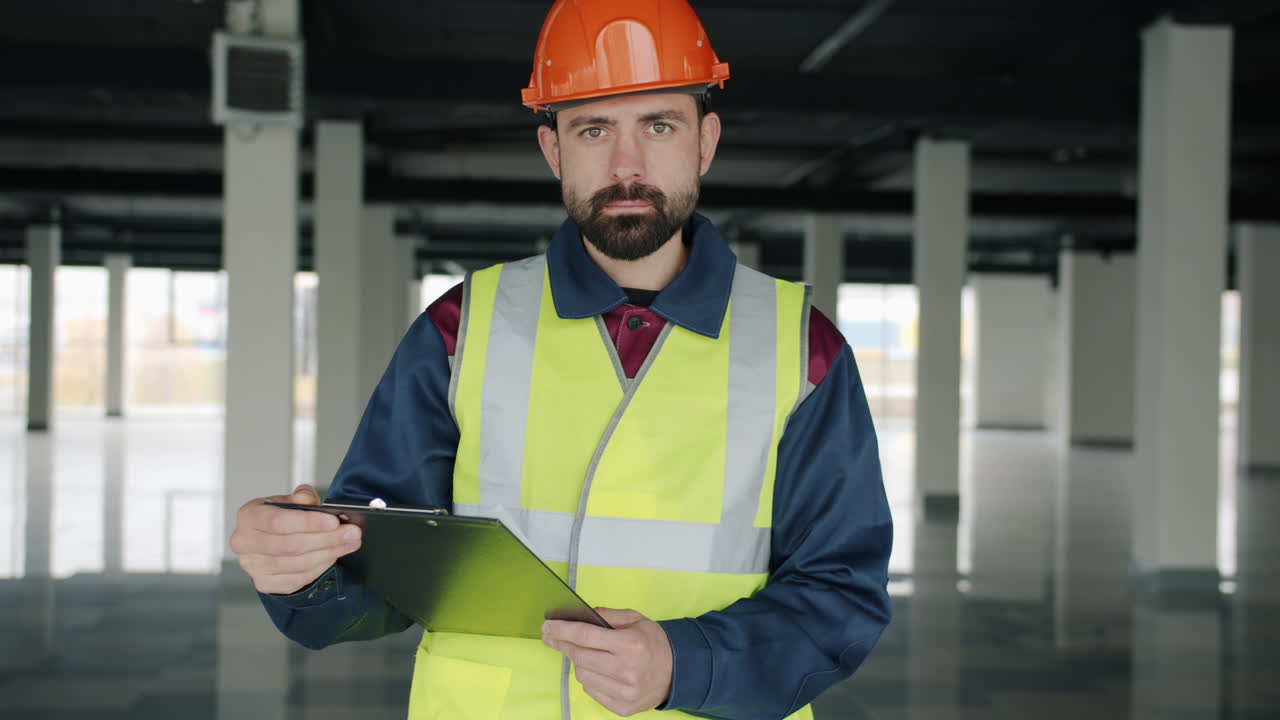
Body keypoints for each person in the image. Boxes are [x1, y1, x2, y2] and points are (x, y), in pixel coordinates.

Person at [229, 1, 892, 718]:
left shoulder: (804, 350)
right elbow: (375, 569)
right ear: (553, 149)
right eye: (594, 128)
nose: (626, 165)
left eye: (659, 125)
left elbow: (840, 595)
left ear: (706, 141)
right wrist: (301, 569)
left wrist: (684, 663)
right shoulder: (459, 329)